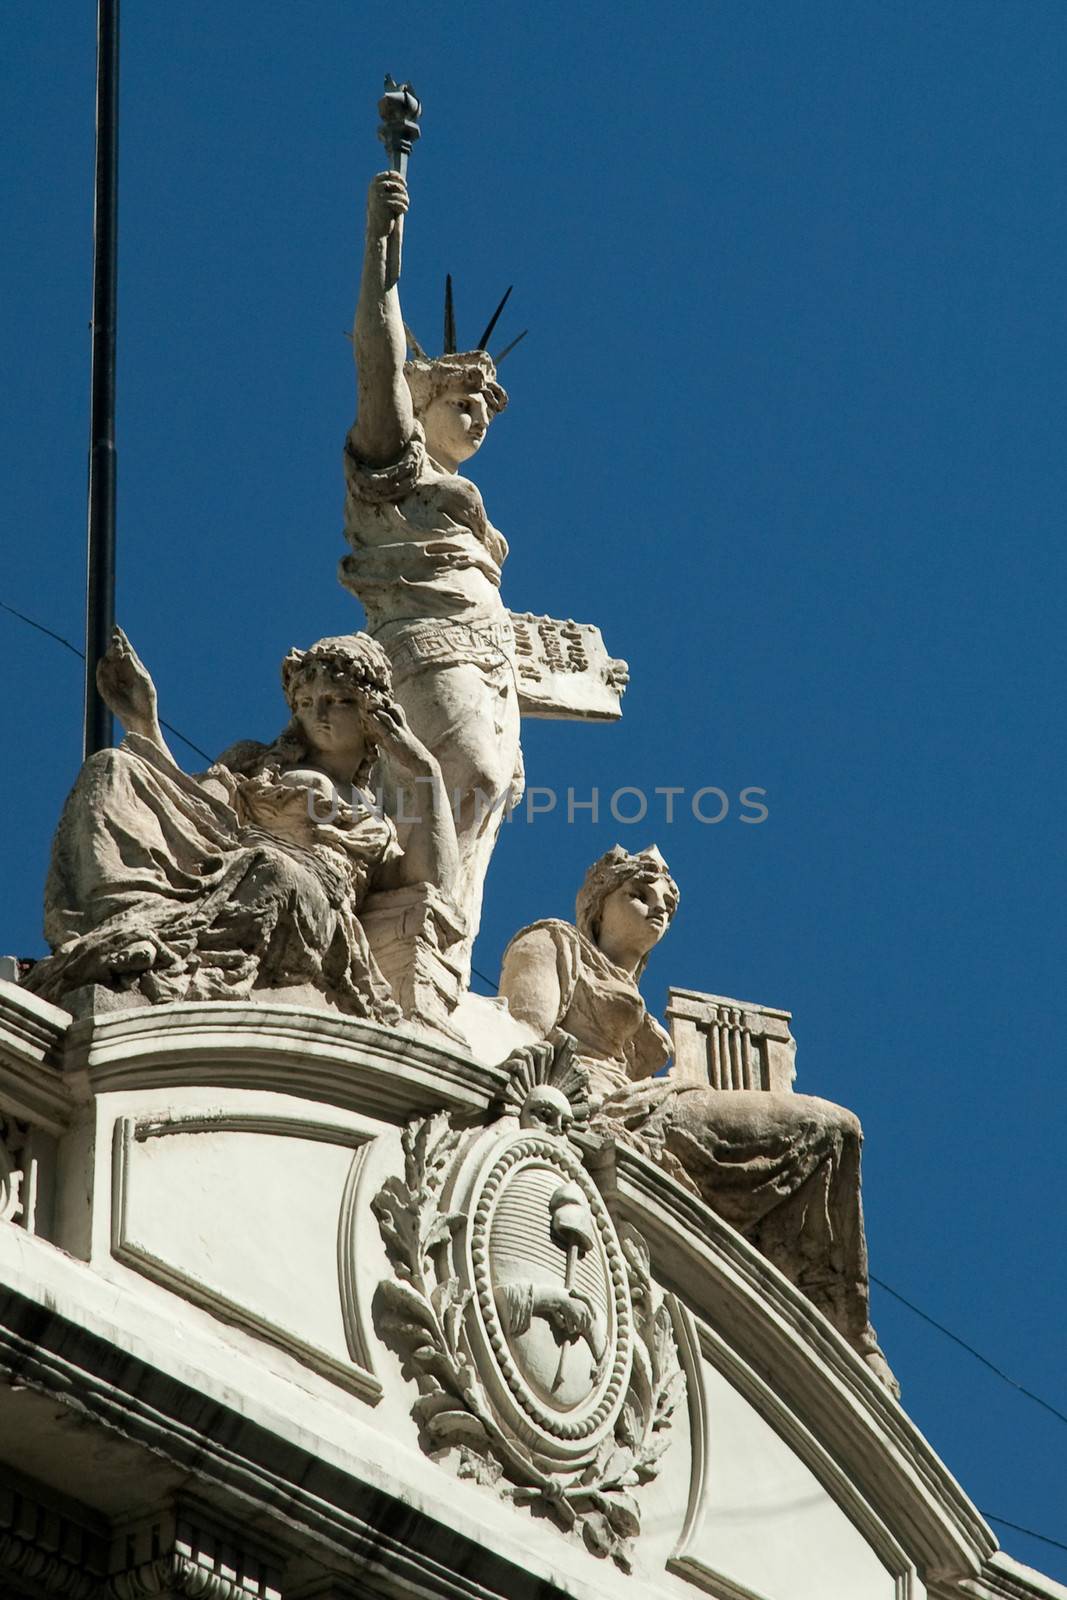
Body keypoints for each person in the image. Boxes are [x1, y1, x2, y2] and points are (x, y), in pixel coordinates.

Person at [499, 845, 898, 1394]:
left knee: (835, 1135)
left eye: (666, 903)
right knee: (832, 1131)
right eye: (638, 895)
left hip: (653, 1104)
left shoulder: (636, 997)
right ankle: (844, 1334)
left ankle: (836, 1325)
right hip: (614, 1111)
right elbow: (522, 1034)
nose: (656, 909)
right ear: (597, 905)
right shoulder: (551, 942)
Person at [28, 627, 456, 1020]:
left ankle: (160, 943)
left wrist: (425, 768)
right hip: (225, 864)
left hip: (305, 905)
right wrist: (144, 721)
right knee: (112, 766)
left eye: (336, 700)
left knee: (271, 867)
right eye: (306, 703)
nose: (318, 714)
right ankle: (124, 929)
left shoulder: (373, 819)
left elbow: (428, 879)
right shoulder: (254, 761)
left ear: (371, 713)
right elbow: (193, 810)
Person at [340, 168, 523, 973]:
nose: (479, 413)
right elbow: (377, 354)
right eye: (463, 395)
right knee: (467, 774)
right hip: (426, 644)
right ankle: (398, 925)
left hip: (494, 663)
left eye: (488, 405)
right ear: (424, 398)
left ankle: (439, 945)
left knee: (488, 796)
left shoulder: (477, 512)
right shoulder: (393, 463)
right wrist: (383, 247)